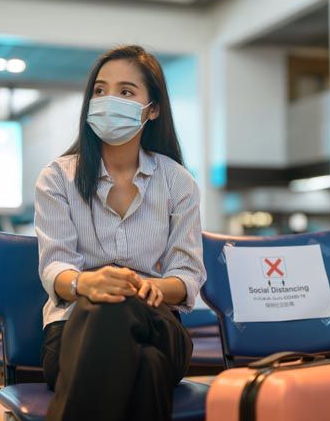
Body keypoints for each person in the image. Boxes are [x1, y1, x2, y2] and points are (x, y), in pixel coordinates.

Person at [34, 45, 206, 421]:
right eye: (100, 90)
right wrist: (88, 285)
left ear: (153, 109)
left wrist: (154, 288)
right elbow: (54, 266)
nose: (109, 100)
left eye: (126, 91)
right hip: (71, 334)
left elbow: (188, 274)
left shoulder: (179, 182)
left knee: (122, 303)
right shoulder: (57, 178)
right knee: (145, 365)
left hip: (158, 322)